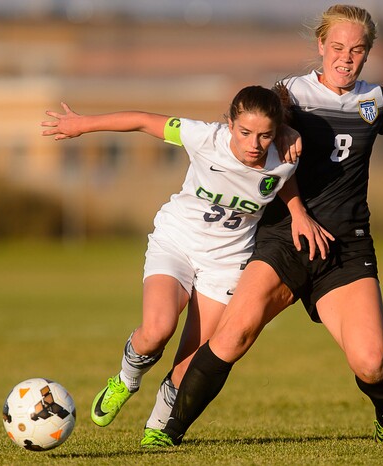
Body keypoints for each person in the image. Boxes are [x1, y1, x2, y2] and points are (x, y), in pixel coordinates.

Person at [139, 4, 383, 447]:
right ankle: (168, 432)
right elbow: (251, 122)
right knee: (231, 336)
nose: (345, 58)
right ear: (321, 47)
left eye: (357, 50)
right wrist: (284, 129)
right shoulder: (289, 93)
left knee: (371, 363)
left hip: (345, 247)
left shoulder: (376, 101)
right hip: (282, 240)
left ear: (367, 54)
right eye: (337, 48)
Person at [40, 85, 333, 443]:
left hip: (227, 262)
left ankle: (157, 428)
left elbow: (281, 181)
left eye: (264, 135)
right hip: (177, 241)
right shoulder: (203, 137)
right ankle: (126, 379)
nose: (254, 144)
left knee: (191, 361)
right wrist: (83, 125)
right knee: (157, 330)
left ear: (276, 132)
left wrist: (298, 211)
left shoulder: (285, 153)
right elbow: (142, 121)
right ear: (229, 124)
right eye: (244, 133)